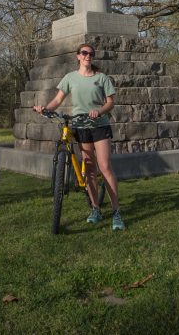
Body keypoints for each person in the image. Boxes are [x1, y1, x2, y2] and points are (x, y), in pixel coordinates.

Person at [33, 43, 125, 231]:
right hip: (80, 127)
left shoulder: (102, 78)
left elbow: (110, 103)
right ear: (78, 56)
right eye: (84, 53)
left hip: (99, 126)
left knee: (105, 168)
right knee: (89, 169)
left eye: (91, 53)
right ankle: (96, 209)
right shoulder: (70, 78)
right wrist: (45, 109)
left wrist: (99, 111)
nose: (87, 56)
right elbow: (58, 100)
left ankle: (116, 212)